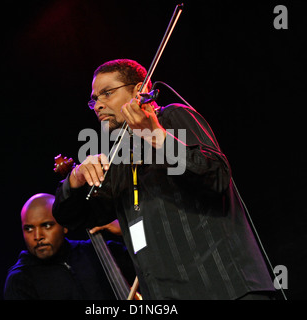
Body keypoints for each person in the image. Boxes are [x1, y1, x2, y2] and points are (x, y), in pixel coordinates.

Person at [53, 59, 276, 300]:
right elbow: (75, 218)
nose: (98, 105)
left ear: (140, 91)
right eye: (94, 99)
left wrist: (156, 136)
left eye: (107, 93)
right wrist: (74, 180)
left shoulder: (173, 117)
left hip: (225, 289)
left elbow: (216, 176)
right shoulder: (120, 156)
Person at [4, 193, 134, 300]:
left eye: (47, 225)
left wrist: (125, 230)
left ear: (65, 226)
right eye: (29, 228)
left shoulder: (96, 252)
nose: (37, 236)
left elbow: (150, 259)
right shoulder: (20, 280)